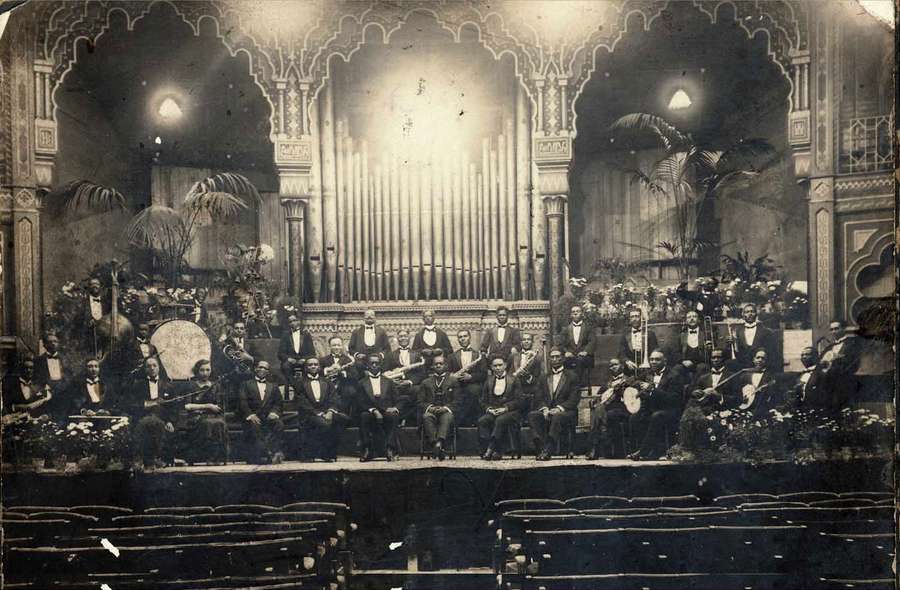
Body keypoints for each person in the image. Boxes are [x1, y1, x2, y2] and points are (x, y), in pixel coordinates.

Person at [628, 349, 690, 461]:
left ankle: (643, 451)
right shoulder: (649, 373)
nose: (653, 362)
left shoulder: (674, 375)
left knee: (656, 416)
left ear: (664, 361)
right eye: (651, 359)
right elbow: (634, 381)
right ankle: (641, 449)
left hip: (670, 410)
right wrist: (640, 385)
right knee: (635, 417)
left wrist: (652, 389)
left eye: (657, 359)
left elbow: (673, 399)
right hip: (652, 408)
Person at [678, 348, 739, 453]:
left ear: (724, 359)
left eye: (718, 357)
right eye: (713, 357)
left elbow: (738, 399)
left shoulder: (733, 376)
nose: (715, 360)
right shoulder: (703, 377)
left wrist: (719, 396)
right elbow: (692, 390)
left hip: (724, 411)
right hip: (705, 411)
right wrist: (695, 392)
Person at [527, 347, 580, 460]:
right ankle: (540, 448)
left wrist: (560, 408)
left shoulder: (572, 376)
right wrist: (544, 408)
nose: (555, 359)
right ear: (549, 359)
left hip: (567, 412)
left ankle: (548, 449)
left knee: (556, 417)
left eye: (557, 357)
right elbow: (538, 396)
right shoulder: (543, 377)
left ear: (563, 359)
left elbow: (574, 399)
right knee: (532, 416)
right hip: (548, 410)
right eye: (552, 357)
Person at [125, 357, 176, 469]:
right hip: (142, 417)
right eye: (149, 366)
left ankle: (157, 458)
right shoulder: (138, 385)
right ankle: (145, 459)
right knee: (148, 423)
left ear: (159, 368)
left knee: (156, 423)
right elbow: (131, 404)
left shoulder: (168, 386)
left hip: (162, 418)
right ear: (145, 369)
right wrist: (146, 404)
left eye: (154, 365)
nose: (152, 368)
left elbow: (172, 408)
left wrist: (170, 421)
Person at [295, 357, 349, 461]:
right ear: (306, 368)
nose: (313, 366)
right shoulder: (300, 382)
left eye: (315, 364)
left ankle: (331, 450)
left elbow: (335, 398)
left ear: (319, 367)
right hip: (309, 413)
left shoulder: (326, 381)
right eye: (310, 365)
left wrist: (330, 411)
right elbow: (302, 402)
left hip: (326, 411)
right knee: (324, 423)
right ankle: (323, 453)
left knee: (344, 419)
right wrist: (319, 413)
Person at [356, 354, 405, 461]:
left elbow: (398, 399)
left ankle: (390, 448)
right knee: (364, 416)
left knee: (393, 416)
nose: (374, 365)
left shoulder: (388, 381)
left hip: (386, 410)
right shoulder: (361, 383)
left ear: (380, 365)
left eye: (377, 363)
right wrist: (373, 410)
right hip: (370, 411)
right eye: (371, 363)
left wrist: (395, 408)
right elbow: (360, 402)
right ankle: (367, 449)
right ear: (367, 365)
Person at [586, 358, 636, 460]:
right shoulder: (608, 382)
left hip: (622, 408)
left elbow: (631, 398)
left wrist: (621, 391)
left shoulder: (629, 380)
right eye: (611, 366)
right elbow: (600, 395)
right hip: (607, 409)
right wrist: (595, 400)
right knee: (600, 409)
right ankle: (597, 445)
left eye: (615, 365)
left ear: (622, 366)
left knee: (600, 411)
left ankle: (594, 448)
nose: (613, 367)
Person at [238, 360, 285, 465]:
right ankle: (262, 455)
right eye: (260, 367)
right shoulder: (245, 384)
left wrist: (274, 413)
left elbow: (278, 403)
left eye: (265, 368)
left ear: (268, 371)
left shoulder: (273, 386)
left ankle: (272, 452)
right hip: (253, 417)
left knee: (279, 424)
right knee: (254, 425)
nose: (262, 369)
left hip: (268, 417)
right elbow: (243, 402)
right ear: (255, 369)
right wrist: (250, 415)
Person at [477, 355, 524, 460]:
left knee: (500, 420)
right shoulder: (488, 381)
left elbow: (519, 401)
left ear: (505, 366)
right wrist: (489, 409)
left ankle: (491, 449)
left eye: (500, 365)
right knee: (482, 421)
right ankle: (489, 449)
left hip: (511, 412)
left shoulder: (514, 380)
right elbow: (482, 401)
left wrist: (505, 408)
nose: (497, 368)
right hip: (493, 411)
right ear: (491, 367)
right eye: (495, 366)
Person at [181, 359, 227, 465]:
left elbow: (219, 406)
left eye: (208, 370)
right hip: (196, 417)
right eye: (202, 370)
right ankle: (207, 457)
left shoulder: (216, 386)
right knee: (207, 423)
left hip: (214, 416)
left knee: (219, 423)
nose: (205, 373)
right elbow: (187, 406)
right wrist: (208, 406)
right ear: (197, 371)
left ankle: (217, 458)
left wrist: (212, 408)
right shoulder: (191, 386)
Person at [417, 354, 458, 460]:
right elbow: (420, 402)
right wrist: (430, 407)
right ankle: (436, 444)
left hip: (446, 411)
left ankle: (438, 443)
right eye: (436, 364)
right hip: (431, 411)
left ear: (446, 366)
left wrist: (446, 408)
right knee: (426, 416)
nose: (439, 365)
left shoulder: (453, 381)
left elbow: (458, 401)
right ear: (432, 366)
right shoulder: (425, 382)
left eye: (441, 363)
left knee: (447, 417)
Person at [446, 329, 486, 427]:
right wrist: (452, 376)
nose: (463, 339)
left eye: (465, 336)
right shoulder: (452, 356)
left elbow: (483, 373)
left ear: (470, 338)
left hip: (472, 384)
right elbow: (447, 372)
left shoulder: (479, 355)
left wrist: (471, 377)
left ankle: (471, 421)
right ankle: (456, 423)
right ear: (458, 340)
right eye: (460, 337)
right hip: (457, 384)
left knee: (474, 391)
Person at [727, 304, 777, 369]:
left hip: (761, 366)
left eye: (752, 311)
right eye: (747, 312)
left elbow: (771, 351)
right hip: (743, 366)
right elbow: (736, 351)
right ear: (743, 315)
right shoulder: (737, 332)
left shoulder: (765, 331)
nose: (750, 314)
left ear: (756, 314)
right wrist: (730, 343)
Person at [557, 305, 595, 386]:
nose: (575, 313)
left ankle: (575, 385)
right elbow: (561, 344)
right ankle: (564, 385)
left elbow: (592, 341)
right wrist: (566, 352)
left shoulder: (588, 328)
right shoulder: (566, 329)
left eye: (577, 311)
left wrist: (586, 351)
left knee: (580, 361)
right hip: (570, 355)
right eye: (573, 312)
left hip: (585, 356)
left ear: (582, 314)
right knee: (562, 361)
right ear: (571, 315)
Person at [735, 348, 780, 417]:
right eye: (758, 357)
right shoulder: (745, 375)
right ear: (753, 360)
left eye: (763, 358)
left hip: (762, 411)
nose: (760, 360)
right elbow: (738, 392)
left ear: (766, 361)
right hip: (745, 409)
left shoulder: (771, 376)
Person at [677, 310, 711, 375]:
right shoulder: (681, 335)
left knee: (701, 368)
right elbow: (677, 352)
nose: (692, 319)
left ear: (698, 320)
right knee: (677, 369)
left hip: (700, 362)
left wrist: (708, 348)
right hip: (685, 362)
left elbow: (708, 354)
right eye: (689, 317)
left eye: (694, 316)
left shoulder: (706, 334)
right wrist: (682, 361)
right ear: (686, 321)